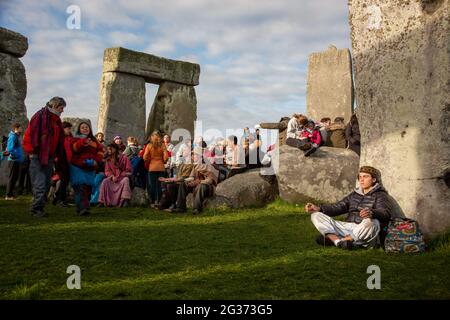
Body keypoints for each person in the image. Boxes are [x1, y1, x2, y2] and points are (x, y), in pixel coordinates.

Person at [305, 166, 392, 250]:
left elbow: (385, 213)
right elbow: (338, 207)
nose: (361, 179)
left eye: (365, 177)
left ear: (373, 179)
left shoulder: (380, 195)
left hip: (363, 229)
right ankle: (338, 241)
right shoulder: (354, 194)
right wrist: (319, 208)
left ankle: (342, 240)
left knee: (372, 221)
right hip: (348, 227)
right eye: (360, 177)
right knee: (315, 215)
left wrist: (372, 213)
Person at [22, 97, 67, 218]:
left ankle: (37, 207)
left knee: (47, 183)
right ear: (54, 106)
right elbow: (30, 135)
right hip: (37, 155)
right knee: (40, 183)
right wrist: (31, 151)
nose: (62, 111)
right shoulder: (40, 116)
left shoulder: (56, 120)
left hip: (49, 156)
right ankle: (36, 209)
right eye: (61, 108)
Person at [69, 122, 104, 216]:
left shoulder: (94, 141)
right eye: (82, 127)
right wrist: (83, 142)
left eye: (87, 127)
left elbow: (100, 151)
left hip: (90, 166)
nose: (85, 129)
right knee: (80, 187)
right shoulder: (75, 139)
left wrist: (97, 160)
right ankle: (81, 208)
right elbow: (74, 149)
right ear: (79, 129)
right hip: (77, 166)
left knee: (88, 188)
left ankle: (85, 206)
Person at [172, 147, 219, 214]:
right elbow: (191, 177)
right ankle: (180, 207)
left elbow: (210, 180)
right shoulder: (196, 166)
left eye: (194, 155)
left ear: (200, 156)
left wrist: (199, 182)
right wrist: (186, 181)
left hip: (207, 187)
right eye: (192, 155)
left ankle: (197, 209)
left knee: (201, 186)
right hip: (197, 185)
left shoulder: (207, 165)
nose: (192, 156)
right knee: (183, 185)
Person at [98, 143, 132, 207]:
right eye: (108, 149)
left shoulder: (124, 158)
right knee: (105, 181)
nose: (109, 150)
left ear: (115, 149)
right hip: (113, 179)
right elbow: (107, 171)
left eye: (111, 149)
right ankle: (102, 201)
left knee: (126, 180)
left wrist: (120, 175)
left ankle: (125, 200)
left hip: (122, 178)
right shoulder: (108, 160)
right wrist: (112, 176)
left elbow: (128, 170)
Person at [143, 131, 169, 208]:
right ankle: (159, 201)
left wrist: (149, 161)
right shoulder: (163, 145)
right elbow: (166, 157)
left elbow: (145, 157)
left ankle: (152, 202)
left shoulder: (149, 145)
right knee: (160, 186)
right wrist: (163, 161)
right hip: (161, 167)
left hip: (152, 167)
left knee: (152, 186)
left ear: (152, 137)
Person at [52, 121, 73, 207]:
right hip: (60, 161)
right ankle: (60, 199)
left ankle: (58, 198)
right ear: (63, 129)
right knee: (63, 180)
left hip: (67, 162)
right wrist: (56, 159)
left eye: (70, 129)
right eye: (68, 128)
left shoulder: (69, 138)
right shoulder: (59, 138)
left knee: (65, 180)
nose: (69, 130)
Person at [5, 123, 25, 200]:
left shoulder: (16, 136)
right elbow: (10, 149)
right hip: (13, 160)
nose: (21, 129)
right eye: (20, 128)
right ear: (16, 128)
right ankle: (8, 195)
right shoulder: (13, 137)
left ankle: (10, 194)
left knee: (14, 178)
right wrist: (16, 156)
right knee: (12, 178)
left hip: (16, 160)